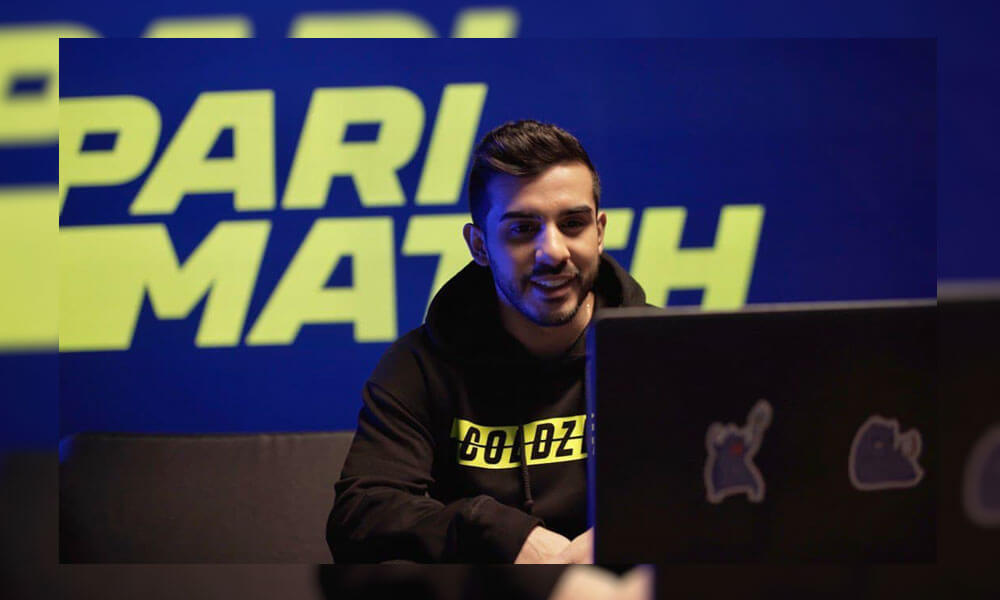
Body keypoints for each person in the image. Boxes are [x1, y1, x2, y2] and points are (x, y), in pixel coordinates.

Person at [328, 120, 648, 564]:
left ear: (599, 232)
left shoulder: (662, 350)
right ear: (478, 245)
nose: (554, 251)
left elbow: (724, 486)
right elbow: (360, 515)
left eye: (573, 224)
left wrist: (629, 531)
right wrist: (502, 535)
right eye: (523, 229)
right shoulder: (420, 364)